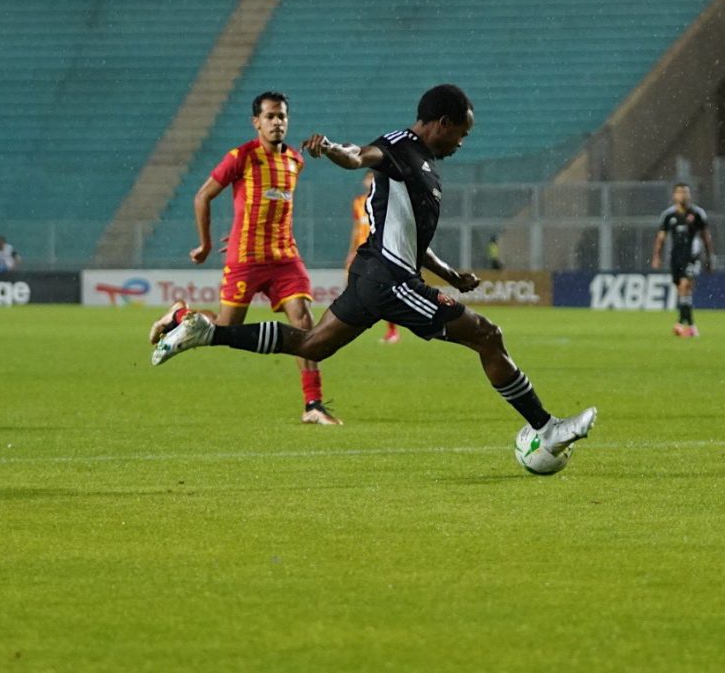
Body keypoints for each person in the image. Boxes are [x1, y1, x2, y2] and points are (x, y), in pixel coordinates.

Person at [153, 84, 597, 459]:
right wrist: (332, 149)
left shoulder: (426, 167)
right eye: (462, 133)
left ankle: (208, 332)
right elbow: (358, 155)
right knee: (487, 335)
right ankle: (547, 427)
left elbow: (411, 239)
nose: (462, 142)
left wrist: (451, 275)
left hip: (375, 276)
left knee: (312, 343)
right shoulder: (400, 145)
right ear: (442, 123)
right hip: (390, 279)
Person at [149, 91, 342, 425]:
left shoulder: (296, 161)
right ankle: (179, 316)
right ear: (256, 122)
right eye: (270, 116)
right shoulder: (241, 157)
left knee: (303, 322)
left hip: (285, 258)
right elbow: (202, 197)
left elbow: (272, 207)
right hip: (247, 259)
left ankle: (313, 404)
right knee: (227, 329)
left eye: (282, 116)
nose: (277, 122)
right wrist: (206, 244)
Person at [651, 182, 713, 338]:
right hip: (676, 257)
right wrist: (656, 256)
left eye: (685, 192)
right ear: (674, 195)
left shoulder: (697, 214)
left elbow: (705, 237)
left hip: (692, 256)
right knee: (681, 291)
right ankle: (682, 324)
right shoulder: (668, 215)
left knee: (685, 286)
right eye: (680, 192)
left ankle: (690, 327)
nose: (683, 195)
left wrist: (709, 257)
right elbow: (661, 238)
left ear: (689, 195)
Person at [346, 171, 400, 344]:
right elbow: (356, 228)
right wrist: (351, 251)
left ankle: (392, 330)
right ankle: (350, 327)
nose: (370, 181)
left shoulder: (384, 200)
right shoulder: (358, 202)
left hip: (378, 251)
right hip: (361, 252)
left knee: (382, 290)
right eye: (368, 178)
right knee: (354, 289)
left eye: (373, 178)